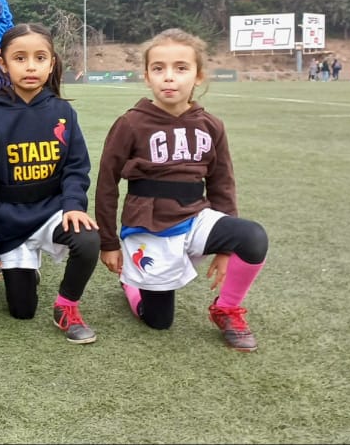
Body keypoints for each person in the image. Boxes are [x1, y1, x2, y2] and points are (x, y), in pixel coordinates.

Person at [95, 28, 269, 352]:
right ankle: (130, 283)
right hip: (149, 225)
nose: (169, 78)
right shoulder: (130, 124)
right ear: (147, 76)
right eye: (158, 69)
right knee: (159, 322)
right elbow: (107, 184)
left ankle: (226, 309)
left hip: (196, 218)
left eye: (181, 68)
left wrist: (226, 249)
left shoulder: (211, 126)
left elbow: (222, 182)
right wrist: (108, 243)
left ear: (198, 75)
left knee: (253, 237)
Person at [0, 24, 102, 344]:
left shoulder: (63, 112)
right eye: (20, 58)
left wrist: (73, 205)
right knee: (22, 310)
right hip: (9, 222)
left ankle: (67, 307)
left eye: (40, 58)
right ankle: (26, 265)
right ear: (3, 64)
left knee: (88, 238)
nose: (31, 66)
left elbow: (77, 168)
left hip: (51, 213)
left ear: (51, 63)